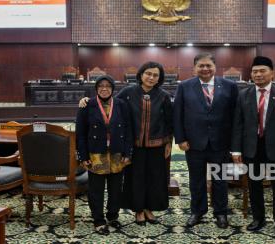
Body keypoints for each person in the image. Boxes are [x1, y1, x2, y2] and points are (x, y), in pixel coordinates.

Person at [79, 62, 173, 226]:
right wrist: (87, 99)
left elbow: (169, 122)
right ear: (141, 74)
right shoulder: (128, 92)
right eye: (148, 73)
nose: (151, 77)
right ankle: (138, 210)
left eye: (155, 75)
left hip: (157, 144)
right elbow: (108, 102)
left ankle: (149, 208)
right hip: (134, 145)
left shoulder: (164, 95)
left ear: (160, 78)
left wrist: (168, 143)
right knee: (136, 179)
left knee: (154, 178)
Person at [231, 56, 275, 235]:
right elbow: (238, 124)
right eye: (254, 72)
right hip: (252, 148)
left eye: (262, 71)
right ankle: (258, 218)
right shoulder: (243, 94)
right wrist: (236, 149)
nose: (258, 75)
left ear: (272, 73)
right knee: (254, 185)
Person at [173, 53, 238, 229]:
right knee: (196, 181)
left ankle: (221, 213)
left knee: (220, 180)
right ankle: (197, 212)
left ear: (215, 67)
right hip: (193, 143)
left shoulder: (229, 86)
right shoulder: (185, 86)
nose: (205, 69)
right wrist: (180, 139)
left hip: (220, 142)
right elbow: (177, 114)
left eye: (208, 65)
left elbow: (235, 116)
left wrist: (234, 143)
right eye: (201, 66)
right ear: (195, 68)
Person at [76, 75, 132, 235]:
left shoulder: (121, 105)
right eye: (101, 85)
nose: (104, 88)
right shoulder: (87, 105)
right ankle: (98, 219)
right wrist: (83, 156)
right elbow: (80, 134)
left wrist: (128, 152)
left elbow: (128, 130)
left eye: (108, 85)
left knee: (116, 189)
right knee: (96, 190)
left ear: (113, 88)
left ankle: (113, 216)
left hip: (117, 154)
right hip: (95, 154)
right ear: (96, 88)